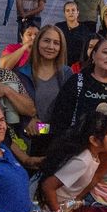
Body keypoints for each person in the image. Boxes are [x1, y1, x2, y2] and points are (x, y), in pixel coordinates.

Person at [41, 106, 107, 210]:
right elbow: (48, 186)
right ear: (94, 141)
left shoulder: (93, 156)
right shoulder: (83, 160)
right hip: (49, 207)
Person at [51, 35, 107, 135]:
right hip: (78, 147)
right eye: (106, 52)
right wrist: (37, 128)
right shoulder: (76, 82)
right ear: (94, 55)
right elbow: (57, 123)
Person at [17, 23, 72, 156]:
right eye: (46, 41)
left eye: (56, 43)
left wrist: (41, 128)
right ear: (38, 42)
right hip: (25, 142)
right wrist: (27, 122)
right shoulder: (22, 73)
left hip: (55, 142)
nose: (51, 47)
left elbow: (67, 115)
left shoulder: (67, 74)